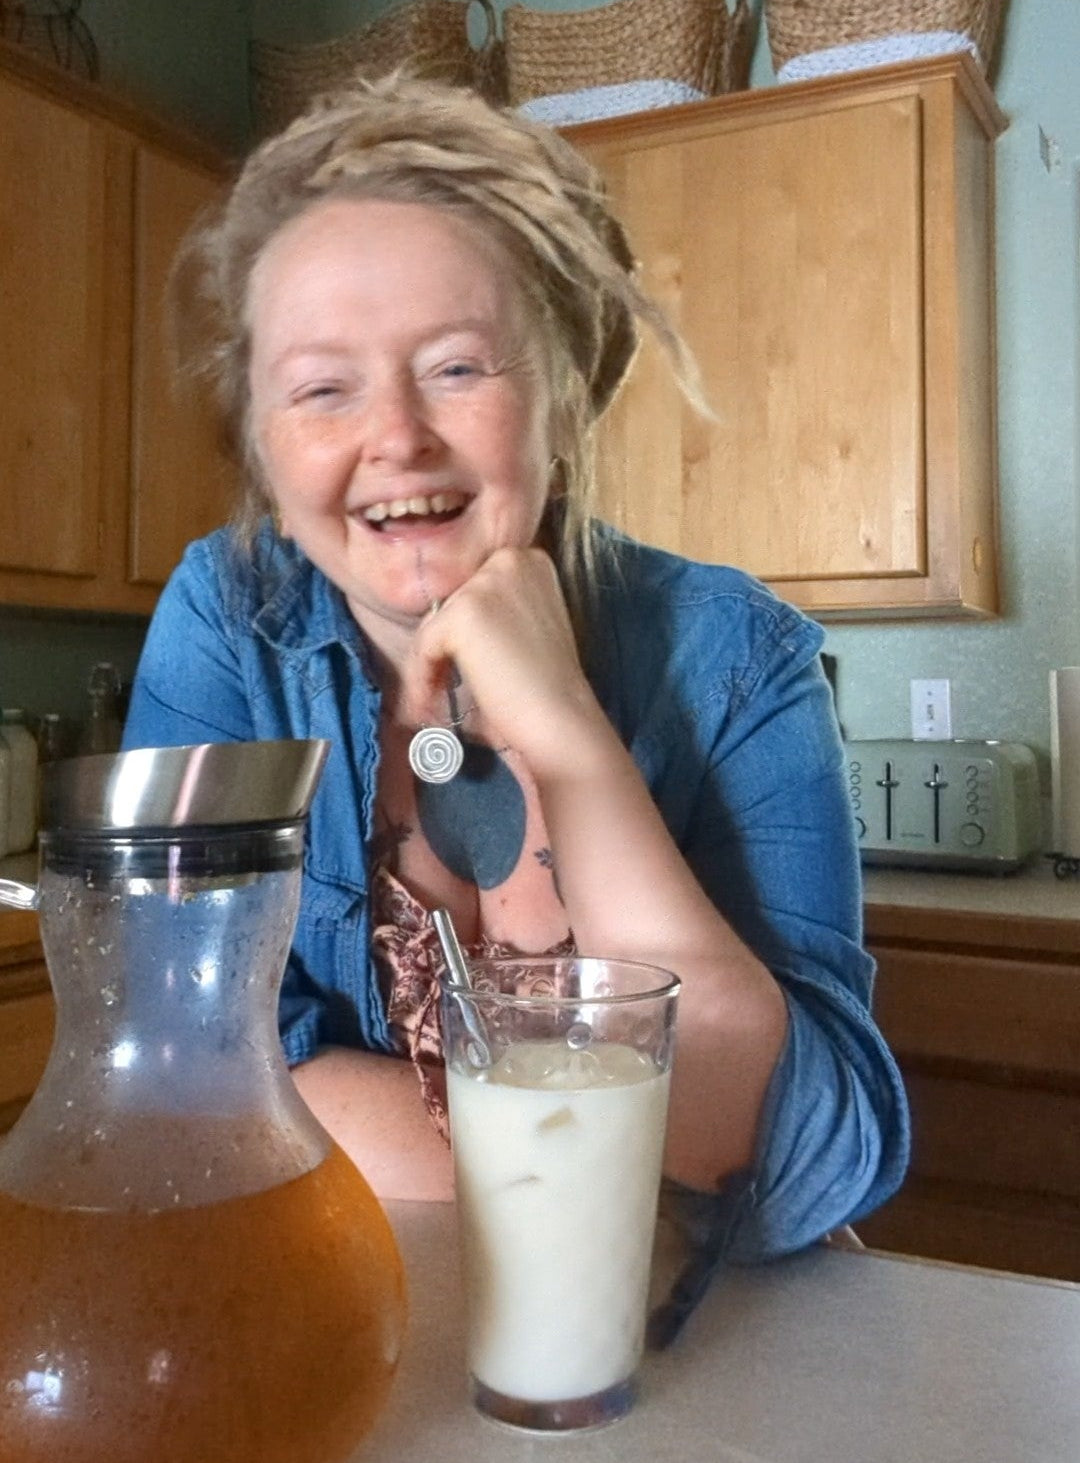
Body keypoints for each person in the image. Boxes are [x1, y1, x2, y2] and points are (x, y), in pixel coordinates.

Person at [123, 71, 908, 1296]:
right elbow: (179, 1066)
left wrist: (569, 734)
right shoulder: (229, 621)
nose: (397, 436)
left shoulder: (738, 656)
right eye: (322, 388)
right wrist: (615, 1170)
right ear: (263, 446)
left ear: (563, 397)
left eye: (458, 367)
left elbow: (799, 1153)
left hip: (694, 1330)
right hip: (360, 1300)